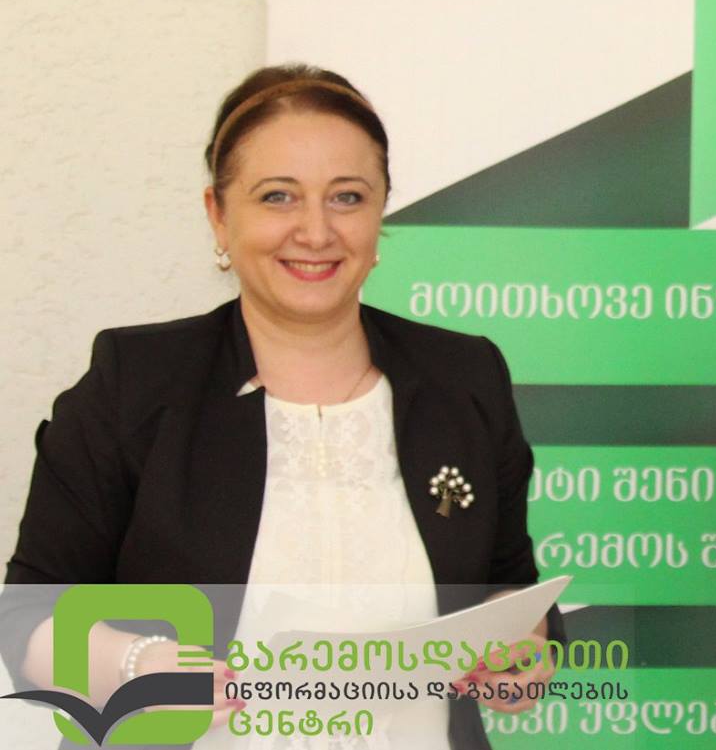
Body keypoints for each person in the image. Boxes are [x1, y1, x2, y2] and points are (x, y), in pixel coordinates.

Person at [1, 65, 557, 748]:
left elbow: (508, 583)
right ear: (218, 213)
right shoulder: (134, 383)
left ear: (381, 209)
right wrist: (135, 665)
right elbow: (27, 616)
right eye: (278, 197)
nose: (316, 231)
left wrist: (521, 647)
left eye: (347, 197)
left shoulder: (464, 377)